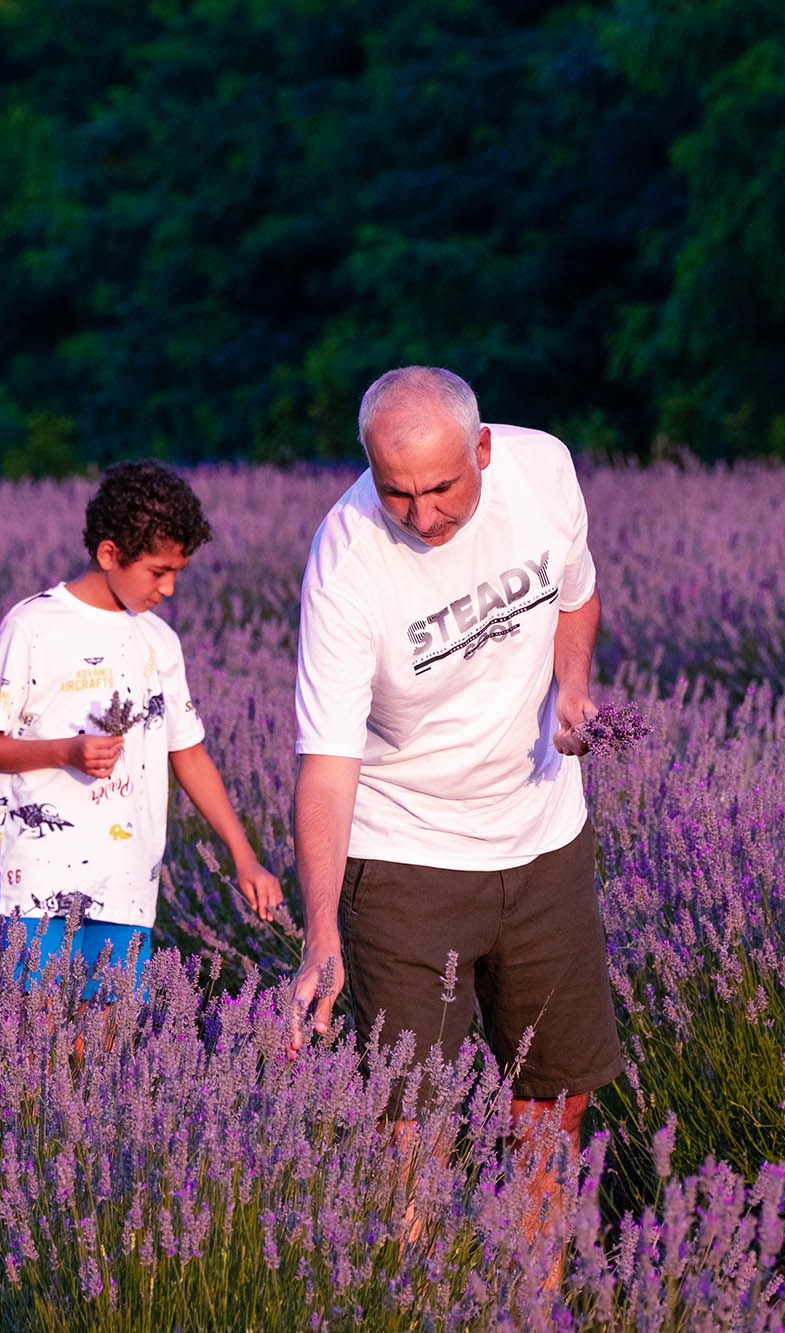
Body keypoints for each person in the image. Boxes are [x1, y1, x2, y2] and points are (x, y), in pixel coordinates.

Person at [289, 365, 623, 1249]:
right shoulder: (347, 558)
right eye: (397, 493)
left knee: (553, 1104)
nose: (423, 516)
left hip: (542, 838)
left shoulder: (543, 470)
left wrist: (573, 692)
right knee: (412, 1125)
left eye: (441, 487)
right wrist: (321, 931)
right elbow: (326, 764)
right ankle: (419, 1301)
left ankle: (533, 1300)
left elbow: (577, 591)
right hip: (405, 856)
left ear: (482, 448)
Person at [0, 461, 281, 1000]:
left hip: (128, 881)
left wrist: (243, 854)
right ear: (110, 554)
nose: (170, 589)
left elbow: (191, 754)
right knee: (25, 1042)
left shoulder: (159, 641)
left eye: (178, 572)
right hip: (40, 880)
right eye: (158, 572)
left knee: (109, 1048)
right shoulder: (34, 626)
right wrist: (65, 751)